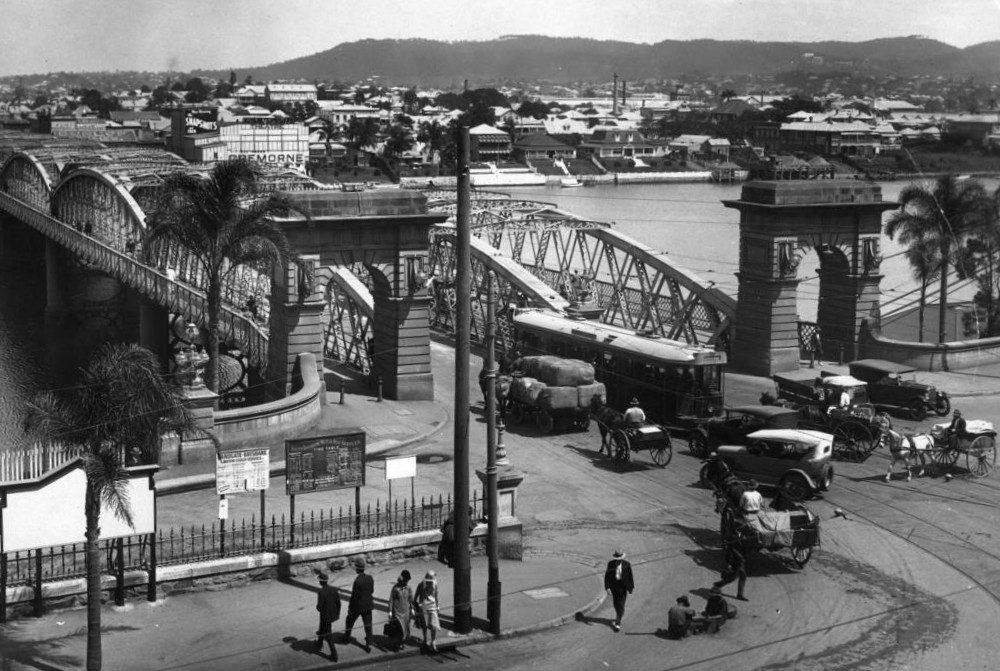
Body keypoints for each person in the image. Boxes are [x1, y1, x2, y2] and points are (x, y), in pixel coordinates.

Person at [344, 557, 375, 652]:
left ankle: (346, 638)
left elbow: (354, 597)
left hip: (358, 606)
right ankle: (369, 643)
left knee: (349, 621)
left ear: (357, 569)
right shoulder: (370, 578)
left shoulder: (357, 581)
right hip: (368, 605)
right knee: (368, 625)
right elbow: (372, 590)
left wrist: (350, 608)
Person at [603, 548, 634, 632]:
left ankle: (617, 623)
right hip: (614, 587)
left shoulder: (627, 564)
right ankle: (619, 614)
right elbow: (607, 576)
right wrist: (607, 587)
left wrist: (631, 588)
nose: (619, 561)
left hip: (623, 587)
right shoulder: (610, 564)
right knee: (616, 604)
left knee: (621, 604)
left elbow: (630, 576)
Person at [315, 572, 341, 662]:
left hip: (325, 616)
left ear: (322, 582)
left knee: (329, 636)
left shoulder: (321, 593)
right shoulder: (334, 590)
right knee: (321, 627)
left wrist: (317, 607)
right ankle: (319, 642)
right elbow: (338, 603)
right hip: (332, 615)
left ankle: (334, 656)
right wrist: (336, 613)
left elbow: (319, 607)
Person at [413, 570, 441, 652]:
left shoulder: (435, 585)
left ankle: (433, 641)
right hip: (424, 606)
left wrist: (437, 606)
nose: (430, 583)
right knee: (424, 625)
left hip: (432, 606)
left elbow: (436, 596)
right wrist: (416, 606)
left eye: (431, 581)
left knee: (434, 626)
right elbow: (416, 595)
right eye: (429, 581)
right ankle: (425, 639)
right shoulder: (421, 585)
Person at [388, 570, 413, 650]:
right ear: (402, 579)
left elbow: (410, 599)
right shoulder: (395, 588)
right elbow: (391, 599)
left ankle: (401, 643)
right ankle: (398, 643)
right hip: (397, 612)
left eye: (408, 580)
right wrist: (390, 611)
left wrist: (412, 608)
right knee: (399, 629)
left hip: (406, 612)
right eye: (406, 580)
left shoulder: (408, 588)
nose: (407, 581)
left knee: (405, 629)